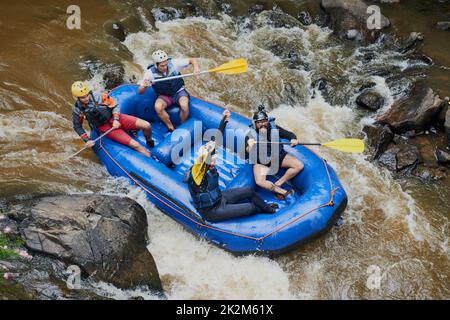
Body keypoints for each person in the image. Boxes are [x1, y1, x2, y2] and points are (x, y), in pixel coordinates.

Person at [186, 110, 278, 223]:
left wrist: (223, 121)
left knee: (249, 190)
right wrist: (207, 150)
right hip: (213, 211)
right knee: (251, 207)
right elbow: (203, 158)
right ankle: (263, 210)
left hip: (220, 198)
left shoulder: (209, 163)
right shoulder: (198, 171)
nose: (214, 163)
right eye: (212, 160)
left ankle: (267, 209)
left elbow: (217, 139)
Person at [71, 81, 154, 157]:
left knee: (146, 125)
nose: (86, 98)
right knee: (136, 145)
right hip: (106, 128)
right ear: (77, 98)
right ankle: (151, 160)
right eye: (82, 97)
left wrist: (116, 119)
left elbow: (115, 105)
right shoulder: (78, 110)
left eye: (86, 95)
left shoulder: (100, 96)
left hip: (116, 118)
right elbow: (77, 126)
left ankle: (149, 141)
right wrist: (87, 140)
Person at [246, 105, 304, 200]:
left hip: (278, 157)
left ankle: (278, 183)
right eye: (259, 122)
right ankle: (281, 191)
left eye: (264, 121)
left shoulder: (274, 128)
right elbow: (247, 151)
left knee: (299, 165)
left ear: (267, 121)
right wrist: (250, 146)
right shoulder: (250, 135)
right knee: (259, 181)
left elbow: (289, 134)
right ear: (255, 124)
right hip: (262, 162)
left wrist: (293, 139)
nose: (263, 124)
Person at [138, 50, 200, 132]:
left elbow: (192, 60)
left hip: (179, 91)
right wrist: (144, 86)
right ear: (156, 65)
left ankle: (182, 125)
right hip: (165, 95)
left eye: (166, 65)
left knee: (184, 106)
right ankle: (170, 127)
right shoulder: (150, 73)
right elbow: (140, 91)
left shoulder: (174, 64)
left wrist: (196, 68)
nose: (165, 67)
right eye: (162, 66)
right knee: (158, 107)